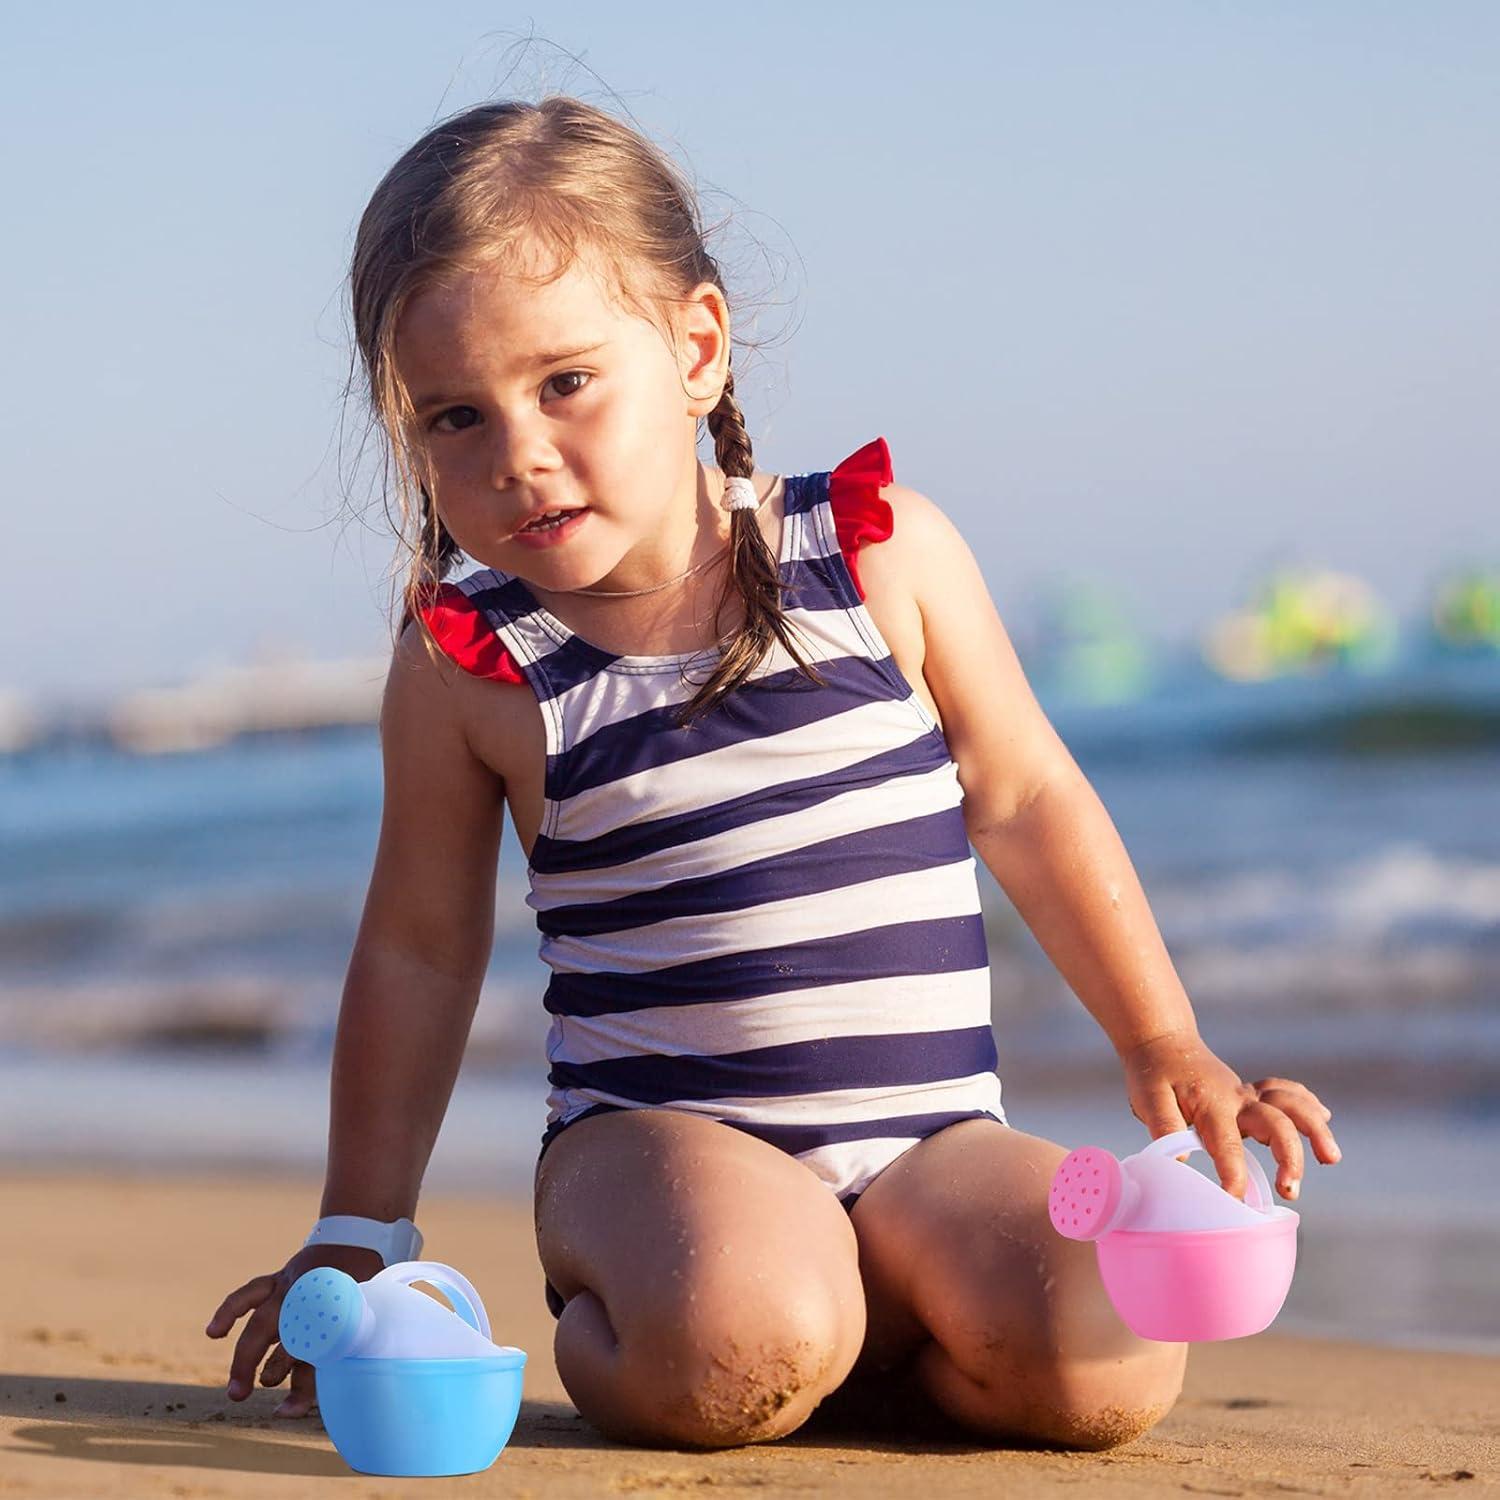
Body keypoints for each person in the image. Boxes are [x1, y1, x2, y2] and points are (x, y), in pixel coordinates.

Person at [205, 95, 1341, 1452]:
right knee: (730, 1348)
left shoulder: (875, 558)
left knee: (1102, 1376)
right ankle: (673, 1319)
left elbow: (1028, 800)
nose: (516, 452)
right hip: (658, 1154)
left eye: (566, 383)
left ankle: (867, 1318)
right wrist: (358, 1230)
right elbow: (420, 951)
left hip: (930, 1145)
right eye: (454, 416)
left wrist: (1166, 1045)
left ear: (694, 348)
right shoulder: (475, 666)